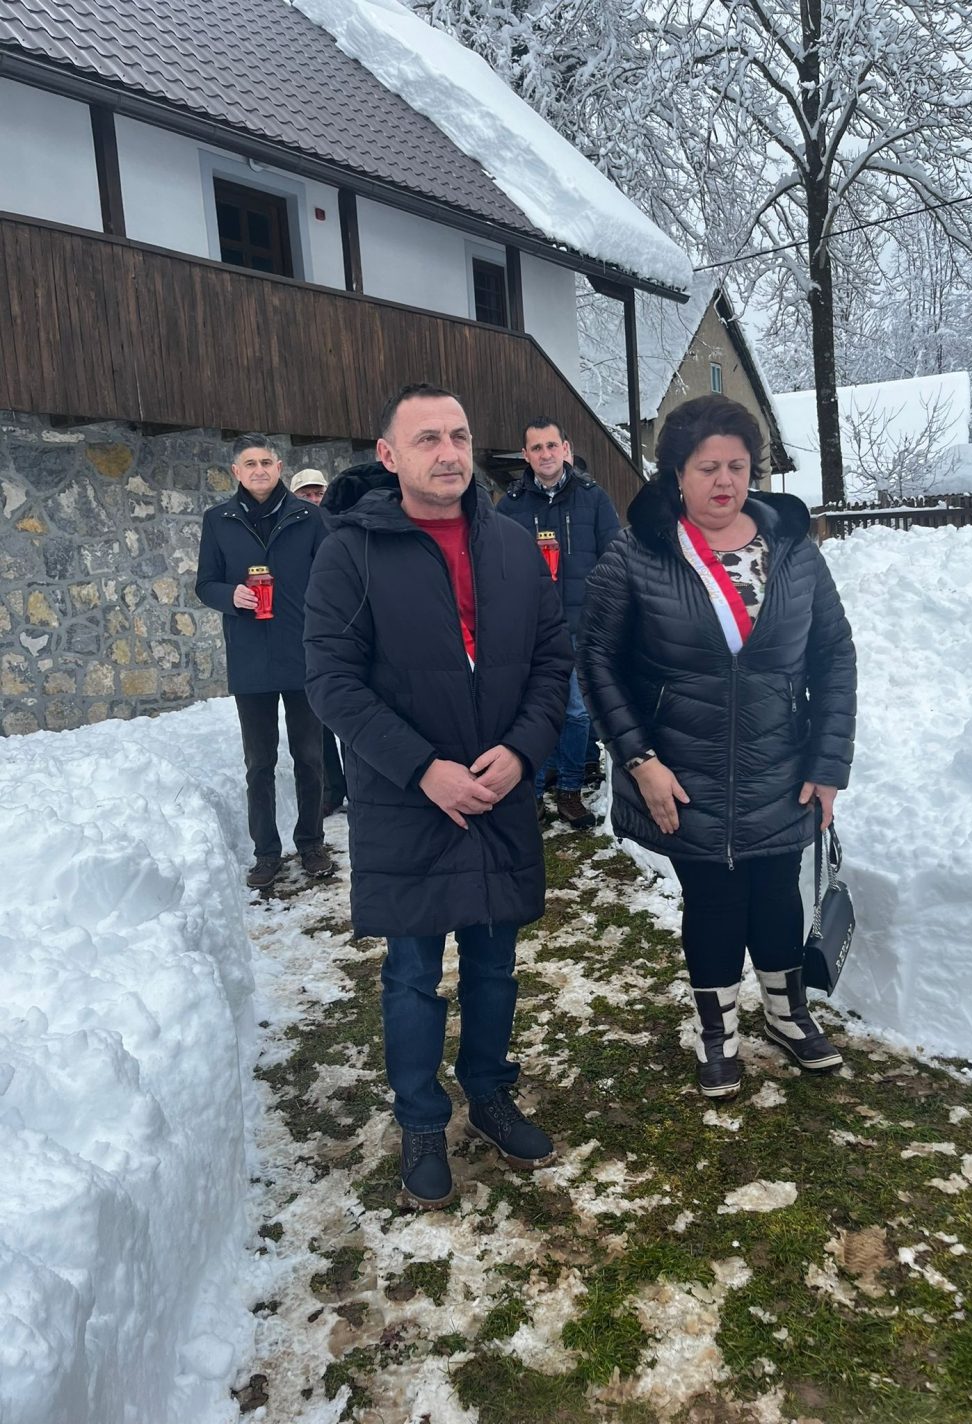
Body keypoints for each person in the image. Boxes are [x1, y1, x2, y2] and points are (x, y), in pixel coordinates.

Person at [304, 384, 571, 1209]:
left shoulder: (513, 545)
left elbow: (552, 658)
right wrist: (423, 768)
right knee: (414, 973)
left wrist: (522, 752)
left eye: (458, 435)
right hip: (406, 799)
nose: (449, 452)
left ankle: (489, 1093)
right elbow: (331, 681)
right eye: (427, 439)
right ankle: (421, 1120)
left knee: (495, 964)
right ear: (389, 456)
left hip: (498, 790)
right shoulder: (350, 552)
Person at [578, 395, 856, 1099]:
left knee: (777, 893)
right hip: (681, 768)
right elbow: (597, 663)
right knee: (713, 898)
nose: (724, 480)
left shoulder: (793, 551)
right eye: (707, 468)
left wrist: (828, 765)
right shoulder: (637, 553)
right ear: (677, 473)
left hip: (780, 764)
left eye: (737, 465)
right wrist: (639, 761)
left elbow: (834, 657)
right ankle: (718, 1030)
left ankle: (787, 1015)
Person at [196, 435, 332, 888]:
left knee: (309, 756)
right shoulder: (218, 520)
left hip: (302, 653)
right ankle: (266, 853)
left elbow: (333, 576)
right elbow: (205, 583)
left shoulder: (309, 517)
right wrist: (229, 595)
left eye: (267, 462)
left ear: (279, 467)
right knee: (259, 763)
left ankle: (312, 843)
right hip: (250, 655)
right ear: (236, 471)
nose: (259, 470)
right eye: (250, 463)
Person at [497, 417, 620, 828]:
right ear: (525, 455)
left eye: (552, 445)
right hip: (530, 631)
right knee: (534, 712)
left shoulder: (593, 498)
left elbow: (614, 561)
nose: (545, 454)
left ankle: (569, 791)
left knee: (578, 713)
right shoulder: (510, 505)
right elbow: (495, 567)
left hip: (583, 627)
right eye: (536, 448)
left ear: (565, 448)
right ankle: (531, 793)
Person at [289, 468, 346, 815]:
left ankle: (358, 786)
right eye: (305, 494)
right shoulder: (290, 531)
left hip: (343, 628)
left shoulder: (341, 526)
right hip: (306, 632)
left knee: (349, 710)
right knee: (318, 716)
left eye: (317, 493)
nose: (312, 500)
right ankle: (331, 789)